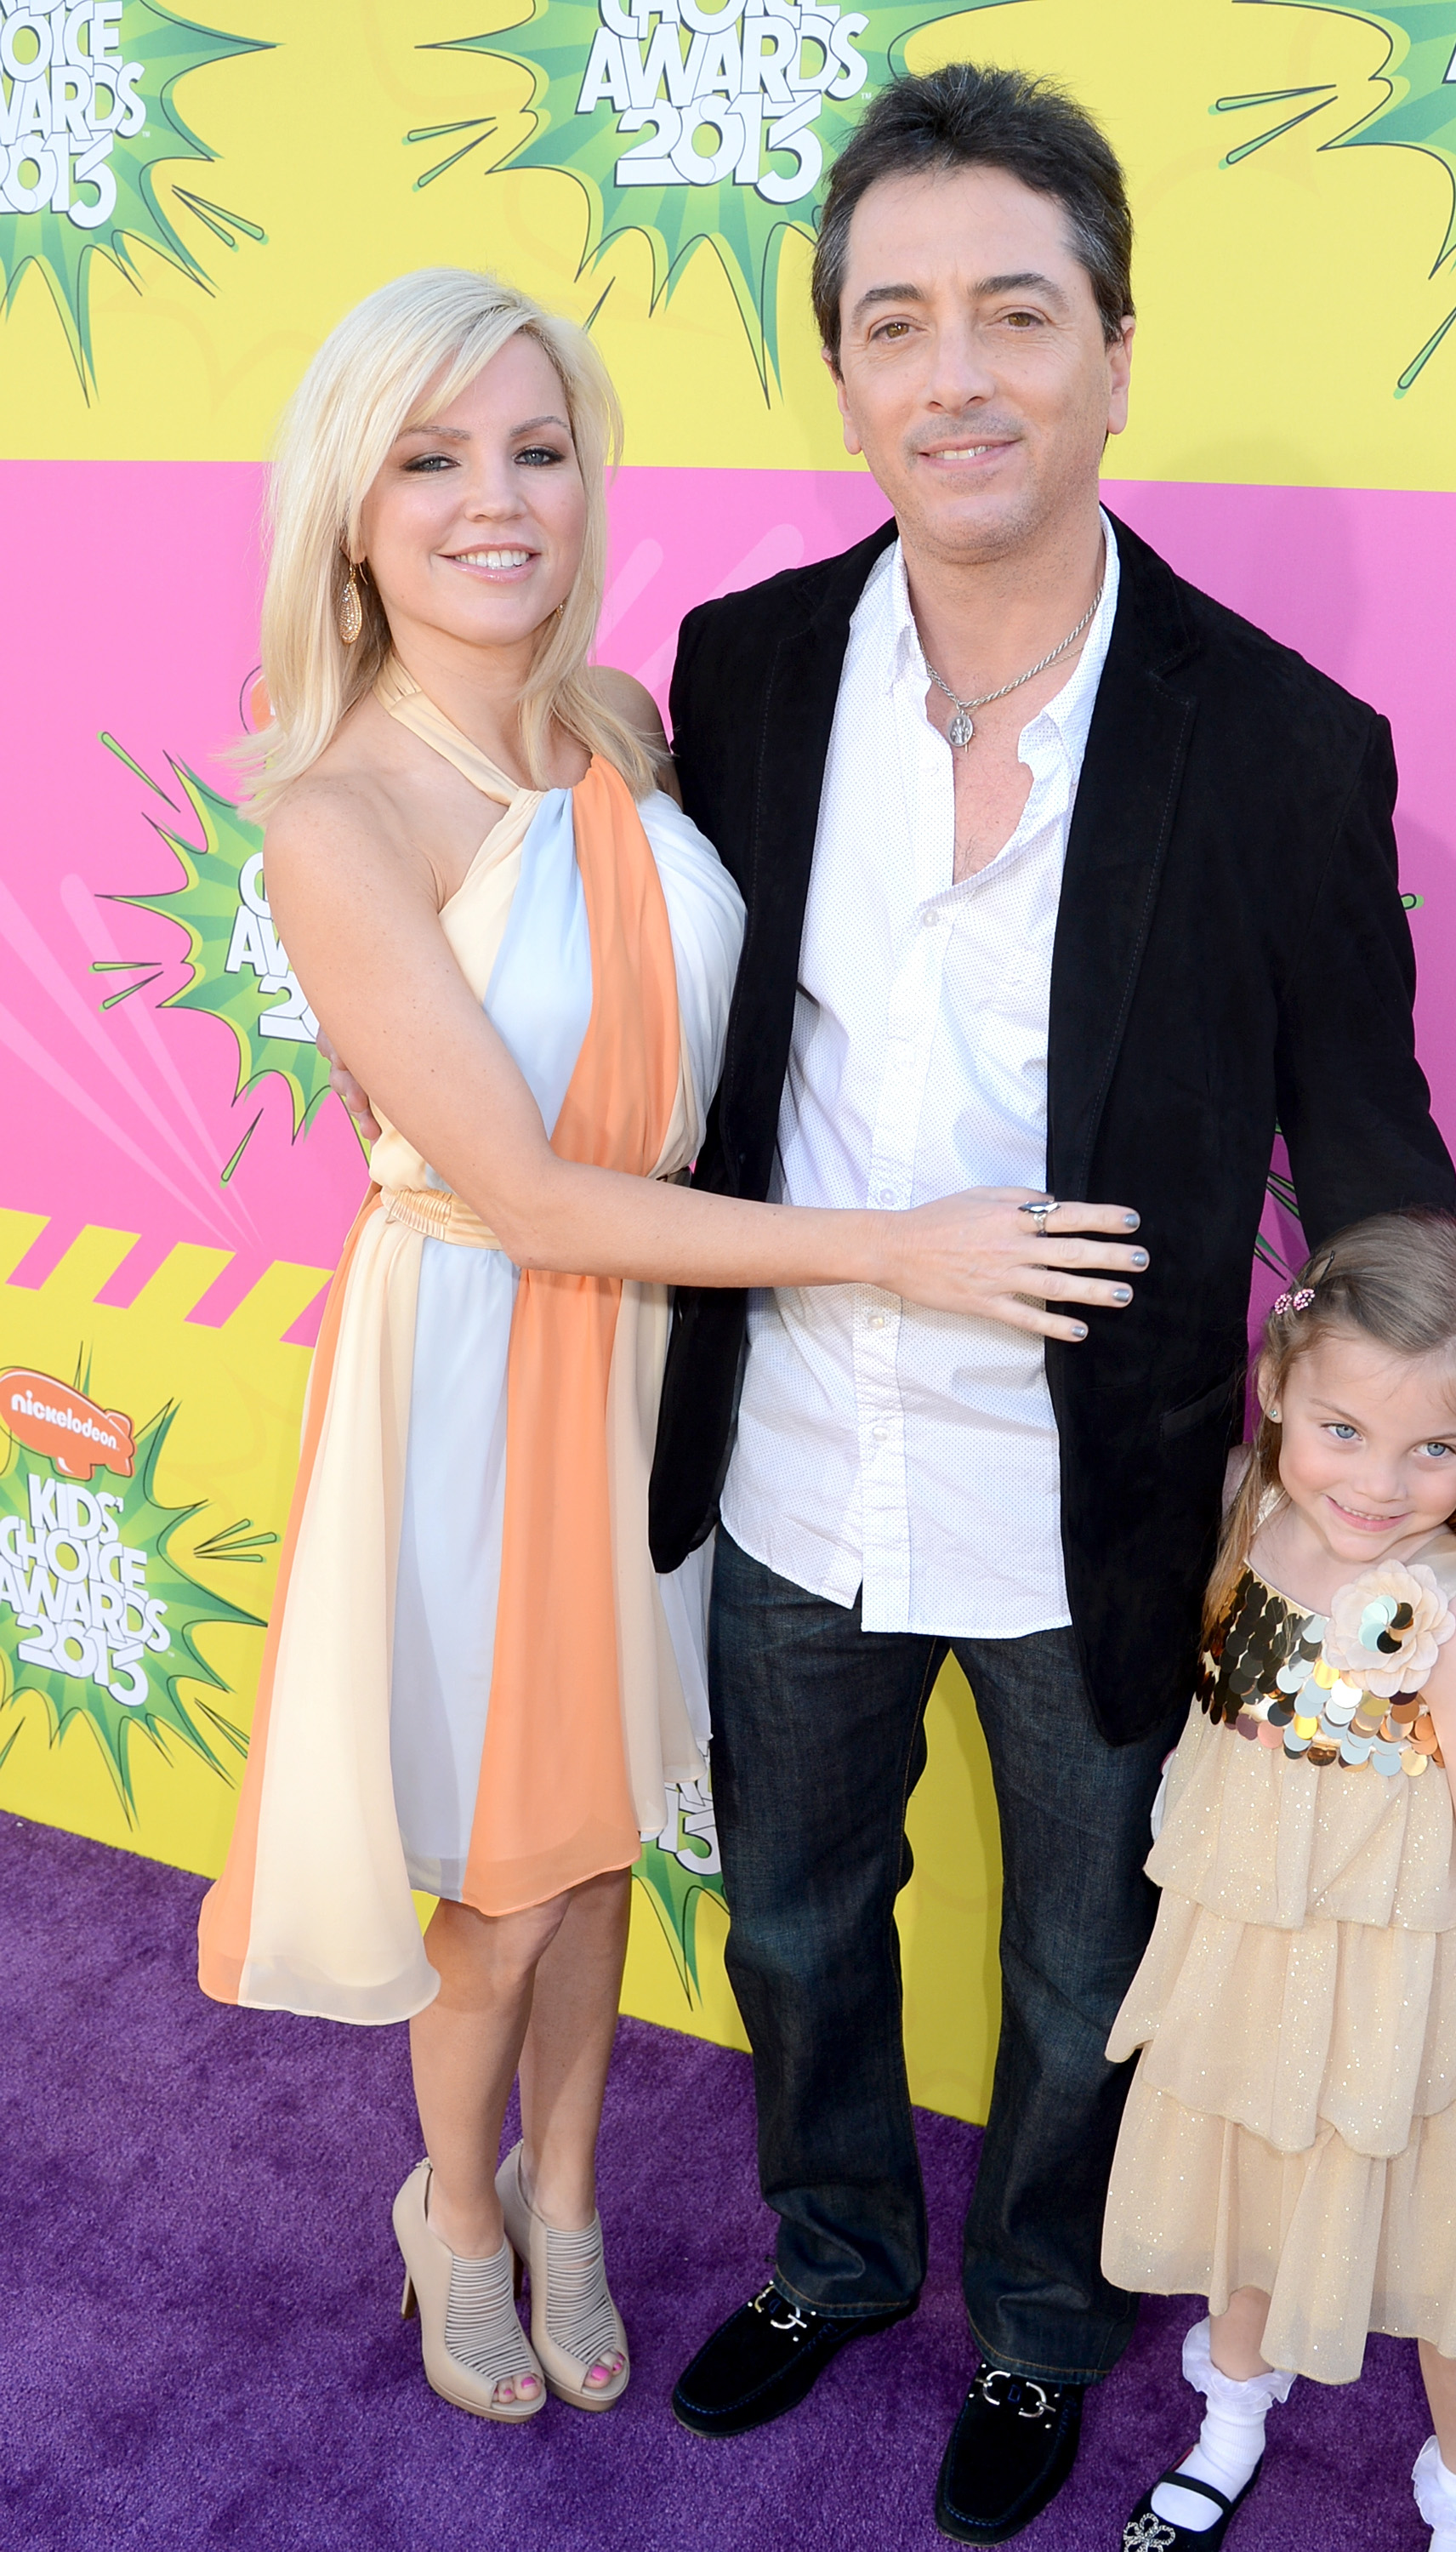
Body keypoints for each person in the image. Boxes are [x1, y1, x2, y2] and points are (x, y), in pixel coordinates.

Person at [196, 266, 1142, 2428]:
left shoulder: (621, 722)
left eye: (536, 449)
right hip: (477, 1367)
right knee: (499, 1881)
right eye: (431, 460)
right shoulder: (337, 820)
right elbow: (526, 1196)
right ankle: (453, 2204)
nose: (494, 501)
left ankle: (574, 2200)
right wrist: (892, 1248)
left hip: (655, 1370)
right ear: (351, 508)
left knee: (605, 1830)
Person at [650, 63, 1456, 2547]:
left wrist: (1404, 1488)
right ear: (844, 371)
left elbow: (1375, 1140)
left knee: (1081, 1962)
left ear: (1117, 347)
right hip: (789, 1455)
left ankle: (1036, 2317)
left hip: (1104, 1498)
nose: (956, 372)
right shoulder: (746, 666)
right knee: (798, 1910)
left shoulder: (1284, 748)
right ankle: (835, 2249)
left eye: (1017, 310)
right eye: (894, 323)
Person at [1104, 1213, 1456, 2552]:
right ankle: (1232, 2425)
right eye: (1345, 1432)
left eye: (1437, 1447)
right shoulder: (1250, 1511)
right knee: (1245, 2203)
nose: (1380, 1485)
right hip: (1250, 1962)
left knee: (1447, 2273)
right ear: (1276, 1390)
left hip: (1400, 2006)